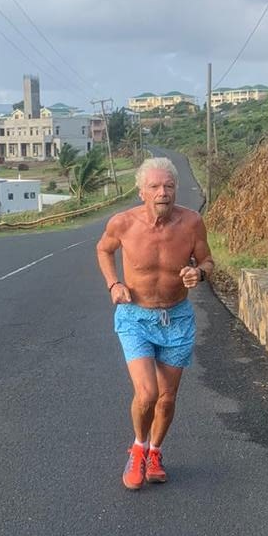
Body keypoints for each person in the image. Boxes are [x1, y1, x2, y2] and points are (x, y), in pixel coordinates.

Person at [96, 156, 214, 490]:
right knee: (146, 394)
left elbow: (207, 260)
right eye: (155, 186)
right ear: (141, 191)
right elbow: (103, 250)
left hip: (176, 318)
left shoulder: (192, 223)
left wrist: (199, 272)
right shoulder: (123, 224)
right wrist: (113, 284)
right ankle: (137, 448)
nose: (163, 192)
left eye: (169, 186)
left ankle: (155, 451)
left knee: (166, 398)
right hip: (135, 316)